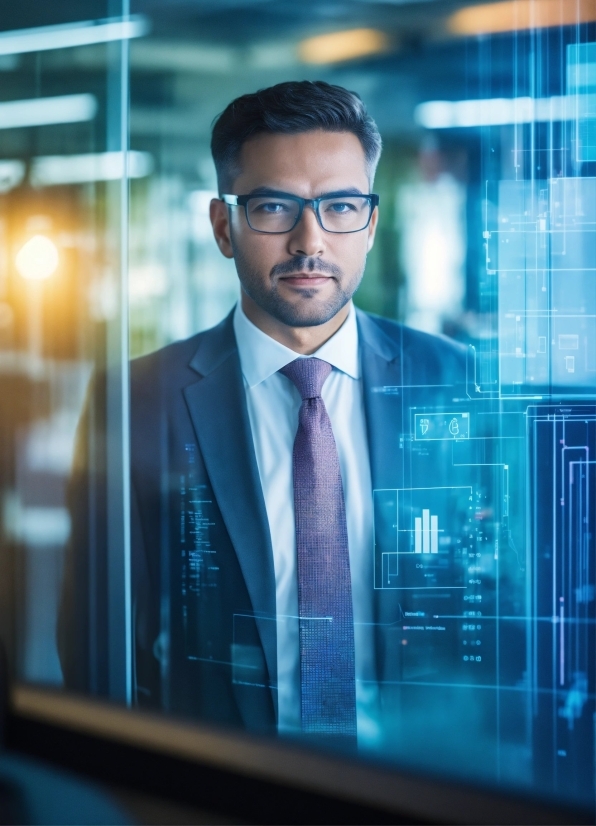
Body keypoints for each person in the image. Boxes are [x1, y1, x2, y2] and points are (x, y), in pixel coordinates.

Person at [59, 80, 466, 746]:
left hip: (425, 782)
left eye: (339, 206)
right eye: (275, 207)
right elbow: (96, 648)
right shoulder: (137, 400)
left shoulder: (455, 382)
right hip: (226, 787)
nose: (310, 241)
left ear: (370, 221)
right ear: (225, 226)